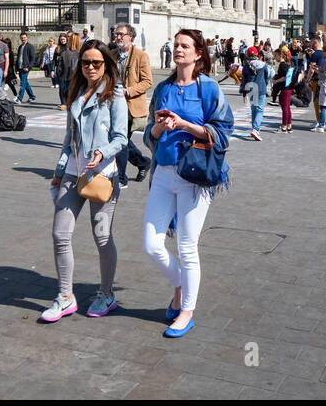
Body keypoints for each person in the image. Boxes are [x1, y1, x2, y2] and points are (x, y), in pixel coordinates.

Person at [142, 29, 235, 338]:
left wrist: (184, 125)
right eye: (176, 45)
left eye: (185, 46)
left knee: (186, 245)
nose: (178, 50)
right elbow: (148, 137)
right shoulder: (163, 88)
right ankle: (180, 285)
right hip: (164, 173)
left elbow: (223, 132)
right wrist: (157, 128)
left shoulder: (208, 88)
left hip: (194, 176)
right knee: (152, 244)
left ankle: (187, 311)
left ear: (198, 54)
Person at [40, 39, 127, 323]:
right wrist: (58, 170)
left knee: (102, 237)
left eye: (97, 63)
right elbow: (69, 138)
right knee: (59, 235)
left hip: (101, 174)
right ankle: (65, 297)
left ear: (106, 65)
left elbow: (121, 138)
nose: (91, 67)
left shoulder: (115, 95)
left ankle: (106, 293)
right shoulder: (77, 91)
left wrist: (103, 152)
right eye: (86, 62)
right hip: (73, 172)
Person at [114, 23, 153, 187]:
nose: (118, 37)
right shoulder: (111, 54)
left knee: (120, 140)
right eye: (116, 34)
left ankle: (121, 179)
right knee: (120, 140)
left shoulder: (140, 56)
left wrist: (128, 91)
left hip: (131, 105)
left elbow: (147, 82)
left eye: (121, 34)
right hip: (114, 105)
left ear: (130, 36)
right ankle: (143, 162)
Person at [242, 46, 269, 140]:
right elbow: (267, 76)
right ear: (257, 54)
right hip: (261, 88)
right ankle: (256, 129)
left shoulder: (246, 66)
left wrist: (244, 92)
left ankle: (254, 128)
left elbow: (244, 80)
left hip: (250, 88)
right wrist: (265, 85)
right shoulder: (263, 64)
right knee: (260, 110)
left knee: (254, 109)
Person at [271, 47, 295, 132]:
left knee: (285, 108)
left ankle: (284, 127)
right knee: (287, 108)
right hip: (288, 88)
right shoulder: (286, 64)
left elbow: (285, 77)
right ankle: (289, 126)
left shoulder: (282, 65)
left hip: (285, 89)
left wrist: (276, 81)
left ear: (280, 55)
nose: (275, 57)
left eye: (276, 55)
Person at [16, 32, 37, 102]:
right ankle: (32, 96)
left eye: (24, 38)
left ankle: (19, 99)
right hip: (20, 67)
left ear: (27, 38)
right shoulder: (20, 47)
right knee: (25, 83)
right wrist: (16, 68)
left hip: (26, 68)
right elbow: (18, 58)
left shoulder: (30, 46)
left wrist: (29, 67)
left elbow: (33, 58)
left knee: (22, 84)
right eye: (22, 38)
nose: (23, 39)